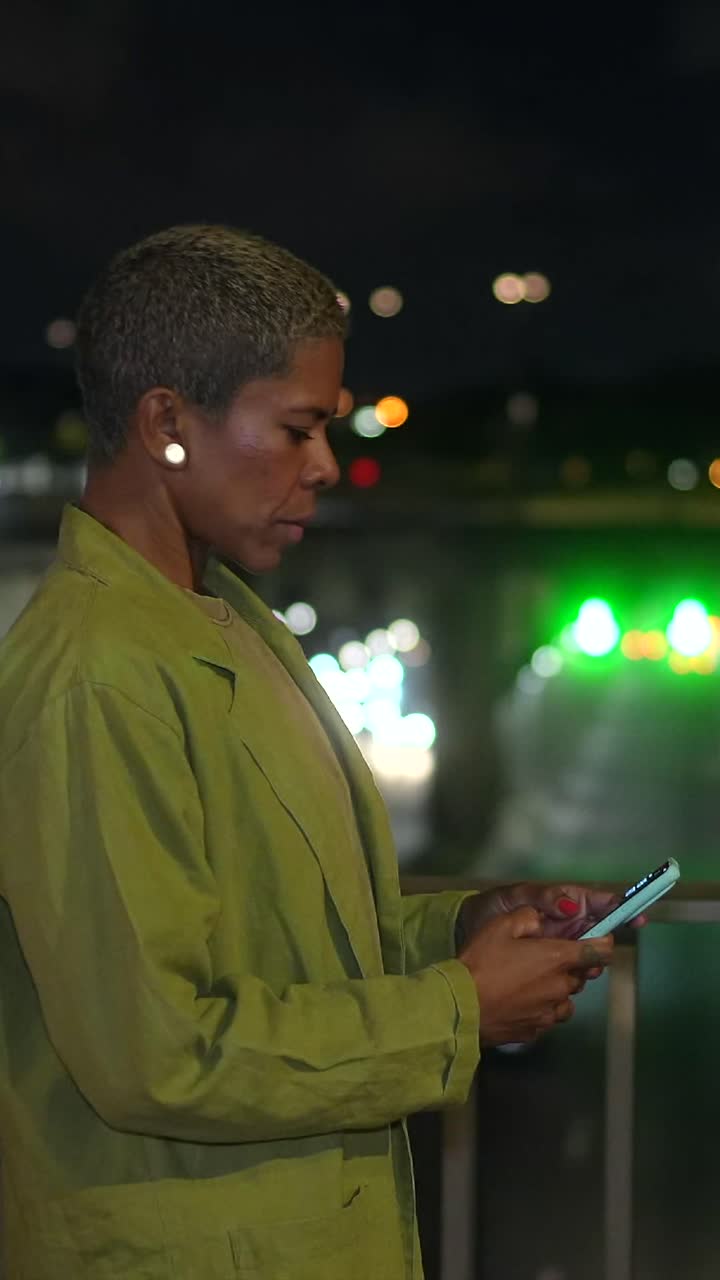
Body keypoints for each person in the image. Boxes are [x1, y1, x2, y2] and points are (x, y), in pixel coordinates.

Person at [0, 226, 617, 1280]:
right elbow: (160, 1052)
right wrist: (460, 1005)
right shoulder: (97, 675)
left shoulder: (228, 621)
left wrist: (463, 928)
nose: (326, 466)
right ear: (166, 422)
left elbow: (299, 945)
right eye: (296, 428)